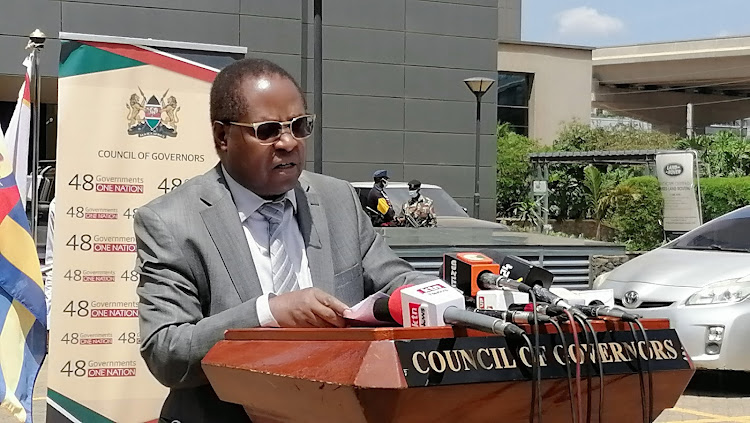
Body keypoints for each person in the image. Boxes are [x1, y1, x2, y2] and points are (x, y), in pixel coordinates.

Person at [134, 58, 434, 423]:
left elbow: (398, 282)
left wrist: (453, 297)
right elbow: (167, 353)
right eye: (268, 131)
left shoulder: (338, 200)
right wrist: (268, 314)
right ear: (222, 137)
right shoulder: (171, 223)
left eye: (299, 126)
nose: (289, 142)